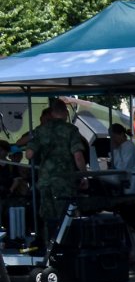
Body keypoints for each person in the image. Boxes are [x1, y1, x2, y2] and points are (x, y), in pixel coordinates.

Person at [24, 98, 87, 245]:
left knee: (48, 217)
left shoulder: (41, 130)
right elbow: (78, 156)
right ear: (65, 112)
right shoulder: (71, 130)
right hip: (64, 181)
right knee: (66, 215)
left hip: (45, 180)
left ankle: (49, 247)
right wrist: (84, 176)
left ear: (52, 113)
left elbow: (29, 154)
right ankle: (66, 247)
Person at [105, 123, 135, 195]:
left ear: (121, 134)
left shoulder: (129, 146)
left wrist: (114, 150)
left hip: (129, 183)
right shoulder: (120, 146)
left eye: (114, 137)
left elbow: (122, 167)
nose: (113, 140)